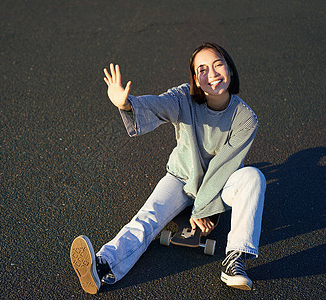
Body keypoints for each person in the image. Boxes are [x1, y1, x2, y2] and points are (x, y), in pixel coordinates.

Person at [70, 42, 266, 294]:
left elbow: (222, 167)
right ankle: (102, 264)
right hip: (181, 178)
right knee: (147, 218)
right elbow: (158, 105)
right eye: (202, 69)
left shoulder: (245, 118)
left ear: (229, 68)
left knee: (252, 176)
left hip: (220, 183)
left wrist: (204, 210)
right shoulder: (184, 98)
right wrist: (126, 104)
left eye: (218, 65)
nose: (213, 74)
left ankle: (234, 261)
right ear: (196, 79)